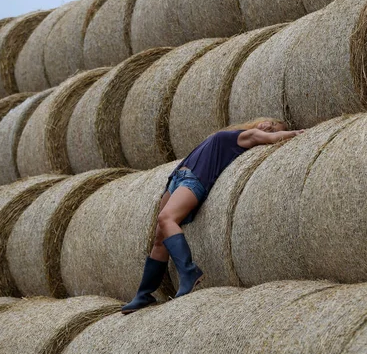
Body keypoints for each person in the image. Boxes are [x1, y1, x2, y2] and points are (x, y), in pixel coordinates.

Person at [121, 117, 305, 314]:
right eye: (271, 122)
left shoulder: (243, 137)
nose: (269, 126)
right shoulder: (232, 132)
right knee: (159, 236)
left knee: (167, 219)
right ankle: (144, 294)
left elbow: (272, 138)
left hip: (194, 180)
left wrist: (293, 134)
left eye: (274, 127)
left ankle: (189, 273)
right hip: (176, 179)